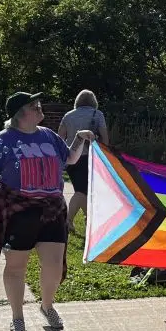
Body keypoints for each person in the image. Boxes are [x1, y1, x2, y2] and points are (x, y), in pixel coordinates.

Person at [0, 91, 86, 331]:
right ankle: (17, 316)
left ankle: (47, 306)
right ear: (21, 113)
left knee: (54, 265)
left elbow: (71, 159)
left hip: (52, 209)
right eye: (34, 105)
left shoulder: (48, 136)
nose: (39, 108)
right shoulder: (2, 140)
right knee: (16, 267)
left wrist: (79, 139)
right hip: (18, 211)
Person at [57, 90, 111, 233]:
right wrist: (105, 156)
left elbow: (59, 138)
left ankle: (89, 219)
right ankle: (68, 221)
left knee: (83, 190)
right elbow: (105, 138)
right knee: (82, 191)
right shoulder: (97, 114)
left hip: (71, 158)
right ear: (94, 102)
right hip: (89, 157)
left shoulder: (68, 115)